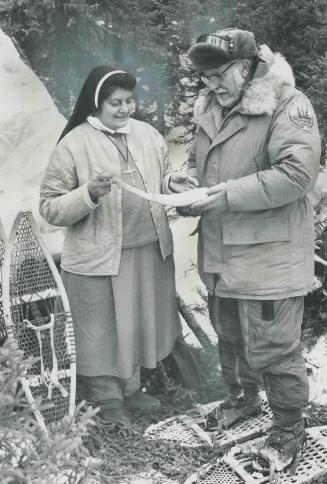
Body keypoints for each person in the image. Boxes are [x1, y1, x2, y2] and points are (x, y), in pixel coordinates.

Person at [183, 28, 321, 471]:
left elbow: (297, 176)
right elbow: (196, 164)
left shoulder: (288, 104)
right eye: (204, 78)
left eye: (219, 74)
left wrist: (223, 193)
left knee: (275, 349)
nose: (212, 85)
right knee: (231, 334)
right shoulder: (210, 106)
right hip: (221, 253)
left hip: (270, 257)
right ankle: (242, 398)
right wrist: (182, 184)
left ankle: (287, 429)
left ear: (247, 67)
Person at [39, 65, 197, 426]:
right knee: (103, 329)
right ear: (96, 104)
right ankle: (107, 399)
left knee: (138, 324)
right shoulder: (73, 144)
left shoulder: (147, 134)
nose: (125, 109)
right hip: (100, 257)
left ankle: (131, 388)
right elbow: (48, 206)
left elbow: (159, 176)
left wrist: (172, 183)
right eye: (115, 103)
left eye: (129, 101)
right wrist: (87, 194)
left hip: (148, 250)